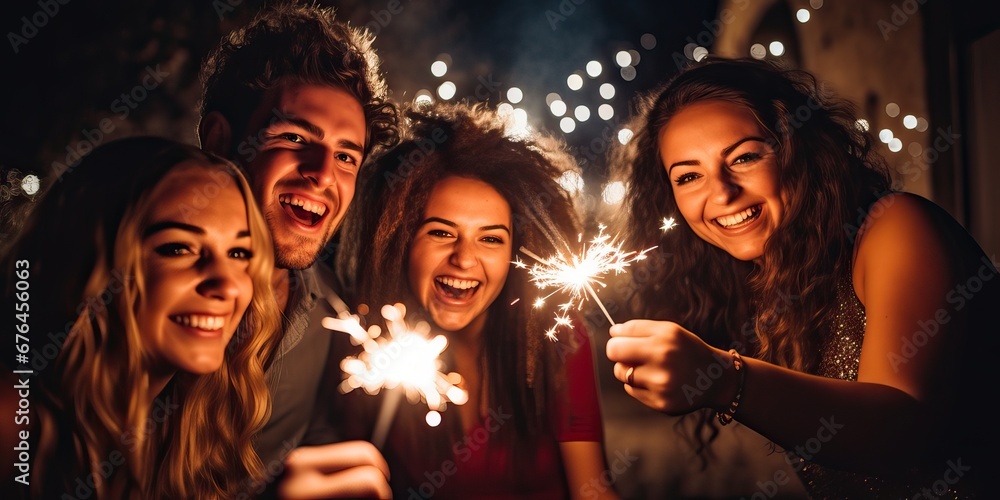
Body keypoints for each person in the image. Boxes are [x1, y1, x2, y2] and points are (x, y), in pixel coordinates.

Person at [605, 56, 999, 498]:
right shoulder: (772, 288)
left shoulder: (897, 227)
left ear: (797, 150)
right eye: (689, 176)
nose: (720, 191)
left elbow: (902, 435)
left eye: (745, 157)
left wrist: (723, 378)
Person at [328, 102, 618, 499]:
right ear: (400, 241)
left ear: (518, 253)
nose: (464, 259)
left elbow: (593, 493)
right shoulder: (366, 357)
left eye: (491, 238)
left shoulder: (559, 342)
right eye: (441, 233)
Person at [0, 136, 281, 498]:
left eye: (240, 252)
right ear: (93, 265)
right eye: (178, 248)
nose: (226, 285)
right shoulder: (12, 418)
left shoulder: (188, 435)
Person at [196, 3, 399, 497]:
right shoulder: (134, 290)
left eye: (347, 156)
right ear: (221, 142)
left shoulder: (329, 316)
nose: (324, 173)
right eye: (293, 137)